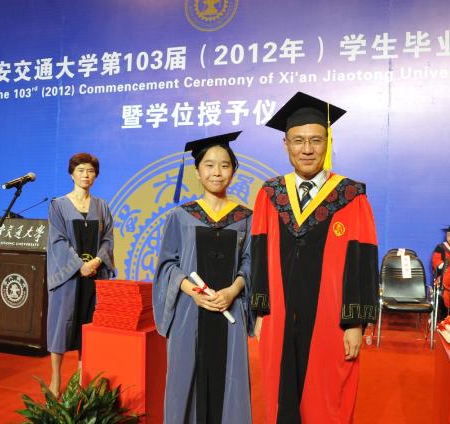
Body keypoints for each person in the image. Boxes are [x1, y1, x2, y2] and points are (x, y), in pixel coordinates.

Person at [250, 92, 379, 423]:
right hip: (279, 317)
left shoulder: (350, 196)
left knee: (327, 398)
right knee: (280, 394)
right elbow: (259, 253)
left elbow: (362, 260)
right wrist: (261, 312)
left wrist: (355, 323)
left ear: (327, 143)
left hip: (330, 320)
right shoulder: (270, 194)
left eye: (316, 140)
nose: (307, 149)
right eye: (298, 141)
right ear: (286, 145)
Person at [153, 132, 253, 424]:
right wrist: (192, 291)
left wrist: (233, 291)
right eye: (209, 165)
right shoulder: (181, 216)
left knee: (230, 383)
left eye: (224, 165)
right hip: (189, 313)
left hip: (230, 313)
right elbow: (167, 264)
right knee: (185, 381)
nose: (217, 172)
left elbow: (251, 262)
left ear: (233, 171)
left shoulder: (245, 218)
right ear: (197, 172)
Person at [46, 153, 114, 397]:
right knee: (60, 327)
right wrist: (78, 266)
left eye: (91, 171)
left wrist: (96, 261)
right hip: (68, 277)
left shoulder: (102, 206)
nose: (86, 175)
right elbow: (57, 241)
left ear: (96, 175)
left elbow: (108, 239)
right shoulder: (58, 205)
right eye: (81, 170)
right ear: (72, 174)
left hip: (95, 277)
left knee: (89, 328)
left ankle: (82, 377)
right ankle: (55, 379)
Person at [431, 225, 450, 320]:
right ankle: (442, 316)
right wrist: (446, 266)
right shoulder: (441, 247)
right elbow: (436, 260)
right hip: (443, 277)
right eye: (448, 235)